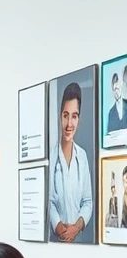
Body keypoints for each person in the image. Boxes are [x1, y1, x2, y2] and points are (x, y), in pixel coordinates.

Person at [49, 82, 93, 242]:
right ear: (60, 115)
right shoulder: (51, 155)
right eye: (65, 115)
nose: (69, 124)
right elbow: (49, 201)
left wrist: (77, 227)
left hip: (78, 241)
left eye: (74, 116)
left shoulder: (82, 156)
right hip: (55, 240)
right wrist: (59, 226)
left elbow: (87, 201)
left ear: (79, 118)